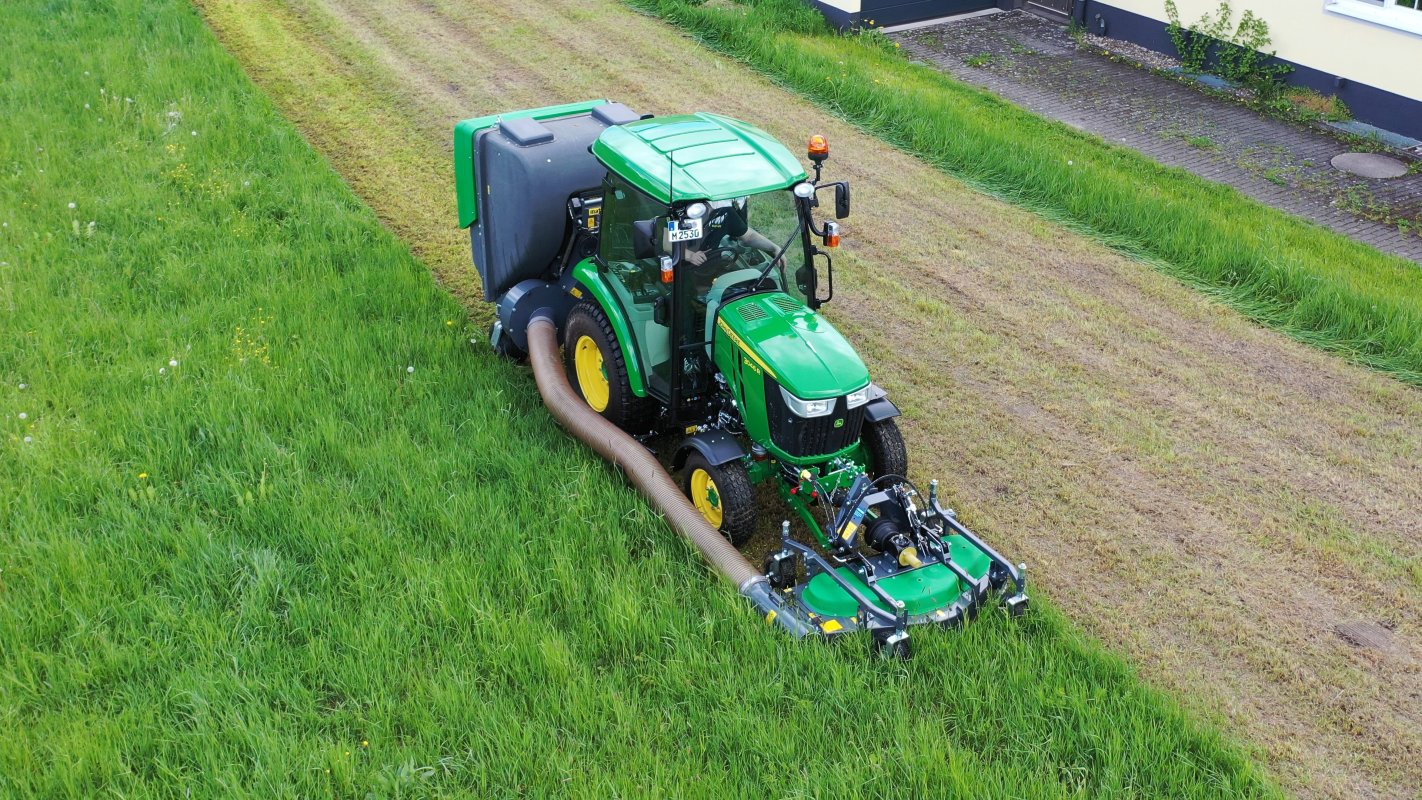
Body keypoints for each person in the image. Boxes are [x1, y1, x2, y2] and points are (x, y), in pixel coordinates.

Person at [683, 199, 782, 267]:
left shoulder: (726, 212)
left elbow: (749, 236)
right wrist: (689, 255)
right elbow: (672, 243)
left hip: (709, 264)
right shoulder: (687, 210)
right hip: (681, 269)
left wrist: (775, 248)